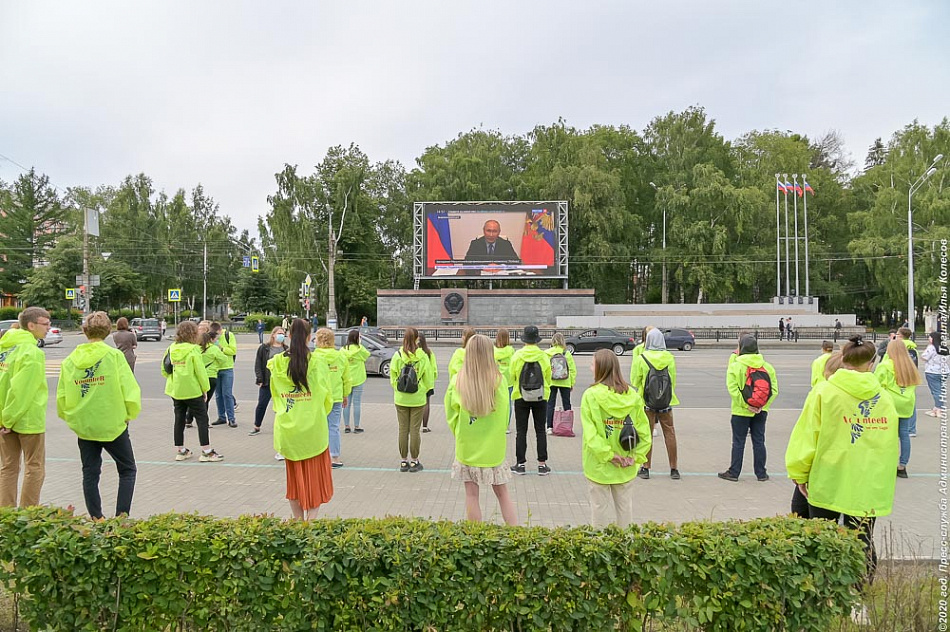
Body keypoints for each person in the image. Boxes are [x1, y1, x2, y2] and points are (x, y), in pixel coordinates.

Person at [786, 335, 899, 622]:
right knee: (861, 539)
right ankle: (857, 601)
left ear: (842, 360)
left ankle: (817, 595)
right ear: (872, 364)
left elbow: (807, 435)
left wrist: (800, 472)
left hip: (828, 477)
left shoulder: (824, 392)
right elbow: (888, 445)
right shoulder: (884, 398)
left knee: (819, 537)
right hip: (867, 482)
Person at [56, 312, 141, 518]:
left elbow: (62, 396)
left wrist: (72, 418)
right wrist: (129, 414)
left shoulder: (70, 361)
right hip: (113, 423)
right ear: (108, 331)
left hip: (85, 425)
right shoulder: (113, 357)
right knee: (127, 470)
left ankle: (97, 518)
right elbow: (129, 389)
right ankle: (121, 517)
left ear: (84, 331)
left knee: (90, 473)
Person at [445, 334, 517, 525]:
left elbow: (451, 416)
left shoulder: (457, 382)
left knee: (471, 494)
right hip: (493, 447)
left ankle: (475, 537)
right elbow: (504, 416)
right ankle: (517, 535)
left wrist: (461, 433)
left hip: (467, 446)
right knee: (502, 493)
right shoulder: (499, 381)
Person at [268, 318, 334, 520]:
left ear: (288, 336)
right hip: (313, 431)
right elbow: (327, 398)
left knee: (295, 481)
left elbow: (276, 398)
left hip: (289, 431)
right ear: (309, 337)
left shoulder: (277, 364)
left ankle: (297, 523)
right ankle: (311, 524)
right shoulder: (317, 362)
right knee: (315, 480)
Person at [581, 349, 652, 528]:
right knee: (625, 509)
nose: (590, 367)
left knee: (598, 510)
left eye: (592, 364)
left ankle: (599, 551)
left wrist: (608, 455)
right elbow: (644, 433)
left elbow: (591, 434)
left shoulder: (591, 396)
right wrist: (636, 457)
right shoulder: (633, 396)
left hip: (599, 464)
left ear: (600, 369)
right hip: (625, 464)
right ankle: (626, 548)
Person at [0, 307, 51, 507]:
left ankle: (5, 514)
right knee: (35, 467)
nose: (49, 328)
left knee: (8, 467)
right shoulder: (32, 352)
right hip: (27, 419)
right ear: (31, 325)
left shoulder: (4, 348)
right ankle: (28, 515)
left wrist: (4, 418)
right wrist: (11, 419)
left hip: (4, 418)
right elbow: (22, 390)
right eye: (45, 324)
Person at [719, 335, 778, 482]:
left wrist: (747, 405)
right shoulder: (767, 367)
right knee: (759, 441)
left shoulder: (735, 367)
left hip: (740, 411)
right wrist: (761, 406)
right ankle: (761, 473)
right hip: (761, 411)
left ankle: (734, 472)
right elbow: (774, 390)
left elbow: (733, 391)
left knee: (738, 442)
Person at [161, 321, 222, 463]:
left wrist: (174, 378)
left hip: (176, 389)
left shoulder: (171, 348)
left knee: (179, 418)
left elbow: (164, 368)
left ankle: (181, 451)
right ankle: (206, 451)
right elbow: (200, 372)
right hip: (193, 390)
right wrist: (205, 389)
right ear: (194, 334)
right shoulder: (194, 350)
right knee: (202, 419)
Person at [630, 328, 681, 480]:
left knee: (647, 434)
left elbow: (634, 380)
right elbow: (673, 380)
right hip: (666, 402)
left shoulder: (642, 357)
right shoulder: (670, 358)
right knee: (669, 433)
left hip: (646, 402)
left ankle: (646, 468)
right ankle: (674, 468)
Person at [510, 325, 553, 476]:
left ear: (524, 339)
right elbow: (548, 376)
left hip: (520, 396)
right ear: (537, 340)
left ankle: (520, 464)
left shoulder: (517, 356)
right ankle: (542, 465)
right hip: (540, 396)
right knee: (540, 430)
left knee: (521, 431)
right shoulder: (543, 356)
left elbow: (512, 376)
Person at [876, 339, 921, 478]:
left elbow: (877, 385)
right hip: (906, 403)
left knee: (888, 436)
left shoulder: (885, 365)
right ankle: (902, 466)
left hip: (890, 404)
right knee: (904, 435)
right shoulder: (910, 366)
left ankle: (886, 464)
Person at [390, 327, 431, 472]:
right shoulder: (423, 356)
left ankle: (403, 461)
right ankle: (414, 461)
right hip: (418, 398)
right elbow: (429, 378)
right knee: (414, 430)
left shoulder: (397, 355)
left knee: (402, 429)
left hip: (401, 398)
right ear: (416, 339)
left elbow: (393, 376)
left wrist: (398, 388)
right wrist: (424, 389)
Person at [312, 328, 351, 469]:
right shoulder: (340, 356)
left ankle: (318, 456)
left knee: (318, 427)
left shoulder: (314, 357)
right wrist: (345, 394)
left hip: (319, 398)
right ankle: (334, 457)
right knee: (333, 427)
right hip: (335, 397)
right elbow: (346, 378)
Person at [249, 326, 287, 436]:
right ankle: (257, 426)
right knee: (262, 404)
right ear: (273, 335)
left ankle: (282, 427)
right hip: (267, 381)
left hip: (281, 383)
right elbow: (258, 364)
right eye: (279, 333)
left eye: (283, 333)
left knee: (282, 406)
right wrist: (259, 378)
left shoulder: (286, 348)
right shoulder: (264, 348)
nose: (281, 335)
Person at [185, 329, 226, 428]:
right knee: (205, 401)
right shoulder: (214, 349)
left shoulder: (195, 349)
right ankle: (204, 422)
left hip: (197, 377)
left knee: (195, 399)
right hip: (211, 377)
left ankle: (188, 419)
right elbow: (223, 360)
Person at [545, 332, 577, 433]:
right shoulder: (566, 353)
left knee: (550, 404)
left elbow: (544, 369)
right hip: (565, 381)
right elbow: (572, 370)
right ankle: (567, 426)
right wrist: (572, 382)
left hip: (551, 381)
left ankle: (549, 427)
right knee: (566, 404)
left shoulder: (547, 353)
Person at [342, 329, 370, 434]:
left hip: (346, 380)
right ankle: (357, 426)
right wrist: (360, 345)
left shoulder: (343, 350)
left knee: (346, 404)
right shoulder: (360, 349)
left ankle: (346, 426)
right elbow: (367, 355)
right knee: (357, 403)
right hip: (358, 379)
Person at [210, 322, 237, 428]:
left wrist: (221, 348)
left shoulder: (228, 335)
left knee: (227, 394)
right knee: (218, 395)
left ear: (220, 330)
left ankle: (231, 419)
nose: (216, 337)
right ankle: (221, 417)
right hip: (215, 369)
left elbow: (233, 350)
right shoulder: (211, 336)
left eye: (217, 334)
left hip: (227, 368)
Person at [923, 331, 949, 418]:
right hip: (944, 371)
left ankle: (939, 408)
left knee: (936, 391)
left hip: (932, 371)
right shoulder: (945, 348)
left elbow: (924, 357)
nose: (928, 339)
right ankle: (936, 408)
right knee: (940, 390)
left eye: (930, 337)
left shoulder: (931, 347)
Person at [493, 328, 515, 432]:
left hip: (496, 380)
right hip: (509, 380)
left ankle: (496, 424)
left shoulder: (493, 350)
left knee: (495, 402)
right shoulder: (511, 351)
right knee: (508, 404)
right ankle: (506, 426)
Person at [418, 331, 437, 433]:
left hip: (417, 383)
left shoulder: (413, 352)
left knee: (416, 405)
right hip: (428, 383)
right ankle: (425, 426)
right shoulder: (429, 353)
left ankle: (414, 426)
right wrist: (432, 379)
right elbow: (434, 369)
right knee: (426, 404)